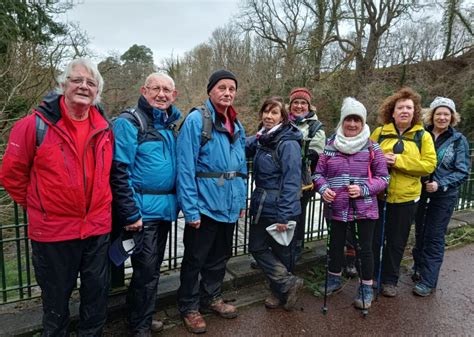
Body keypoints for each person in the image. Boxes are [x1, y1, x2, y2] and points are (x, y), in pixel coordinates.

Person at [0, 58, 112, 336]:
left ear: (97, 91)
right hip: (53, 233)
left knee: (96, 299)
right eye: (77, 80)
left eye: (90, 82)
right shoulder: (32, 126)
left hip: (97, 228)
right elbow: (12, 175)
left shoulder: (105, 128)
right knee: (56, 304)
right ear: (63, 85)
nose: (84, 86)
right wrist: (41, 207)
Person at [111, 73, 182, 336]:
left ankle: (140, 317)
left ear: (174, 95)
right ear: (144, 90)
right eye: (156, 89)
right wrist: (130, 213)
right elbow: (119, 169)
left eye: (167, 90)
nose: (161, 94)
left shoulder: (168, 124)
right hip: (142, 212)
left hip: (162, 209)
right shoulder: (129, 122)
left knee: (149, 271)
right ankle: (140, 326)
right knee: (146, 272)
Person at [176, 70, 247, 334]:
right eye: (222, 88)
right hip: (205, 206)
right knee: (195, 259)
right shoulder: (197, 120)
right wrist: (190, 209)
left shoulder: (237, 124)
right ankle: (189, 307)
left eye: (231, 88)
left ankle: (212, 297)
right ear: (210, 91)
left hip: (228, 205)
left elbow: (240, 168)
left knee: (220, 256)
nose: (227, 92)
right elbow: (185, 168)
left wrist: (240, 202)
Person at [314, 97, 389, 309]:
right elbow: (318, 174)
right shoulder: (330, 146)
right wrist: (323, 189)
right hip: (336, 206)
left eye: (357, 120)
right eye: (349, 119)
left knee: (365, 249)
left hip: (364, 208)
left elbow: (384, 178)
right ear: (342, 121)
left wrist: (364, 189)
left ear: (363, 122)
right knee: (335, 245)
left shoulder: (373, 148)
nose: (353, 124)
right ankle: (334, 278)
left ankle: (366, 287)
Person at [370, 87, 437, 297]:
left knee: (396, 241)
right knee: (374, 239)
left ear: (414, 111)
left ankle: (390, 280)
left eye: (409, 108)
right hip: (379, 196)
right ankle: (371, 276)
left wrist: (398, 161)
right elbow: (366, 158)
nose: (405, 111)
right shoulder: (380, 133)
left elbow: (428, 165)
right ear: (392, 111)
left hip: (406, 198)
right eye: (400, 107)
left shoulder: (422, 136)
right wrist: (381, 160)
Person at [246, 96, 305, 310]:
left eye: (274, 113)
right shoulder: (264, 138)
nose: (268, 116)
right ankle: (287, 283)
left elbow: (292, 181)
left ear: (283, 117)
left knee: (282, 251)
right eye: (266, 112)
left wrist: (284, 215)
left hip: (280, 204)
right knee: (257, 246)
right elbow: (244, 146)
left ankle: (278, 292)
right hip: (262, 202)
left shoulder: (288, 143)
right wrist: (257, 135)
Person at [412, 97, 470, 297]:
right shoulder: (421, 134)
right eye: (439, 113)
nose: (442, 117)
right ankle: (418, 268)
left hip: (443, 196)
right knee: (420, 231)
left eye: (446, 114)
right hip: (420, 192)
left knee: (434, 236)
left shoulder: (458, 140)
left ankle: (428, 280)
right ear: (432, 115)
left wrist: (441, 184)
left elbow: (462, 171)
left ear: (452, 117)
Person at [287, 88, 326, 262]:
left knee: (298, 213)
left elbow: (316, 151)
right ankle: (276, 248)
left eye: (303, 103)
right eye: (296, 102)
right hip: (282, 177)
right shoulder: (282, 121)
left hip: (304, 179)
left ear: (309, 106)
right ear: (290, 105)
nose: (299, 106)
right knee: (279, 212)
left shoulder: (315, 126)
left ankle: (296, 247)